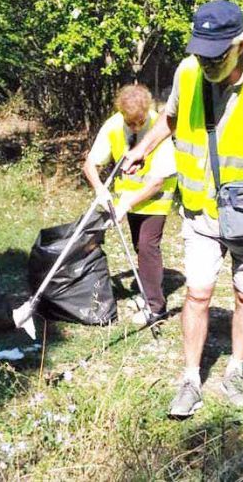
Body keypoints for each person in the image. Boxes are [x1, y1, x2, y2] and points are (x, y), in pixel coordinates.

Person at [122, 0, 243, 417]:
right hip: (200, 211)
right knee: (197, 293)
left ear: (241, 44)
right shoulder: (188, 71)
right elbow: (169, 120)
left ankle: (236, 369)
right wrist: (143, 151)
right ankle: (190, 379)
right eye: (200, 51)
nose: (206, 61)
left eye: (215, 54)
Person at [83, 85, 177, 323]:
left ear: (147, 110)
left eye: (139, 121)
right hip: (129, 197)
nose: (135, 127)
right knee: (138, 245)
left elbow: (157, 182)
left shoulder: (160, 127)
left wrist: (126, 204)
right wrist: (100, 189)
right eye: (130, 122)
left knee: (147, 246)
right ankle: (146, 293)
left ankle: (156, 307)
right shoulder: (114, 125)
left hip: (156, 197)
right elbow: (90, 164)